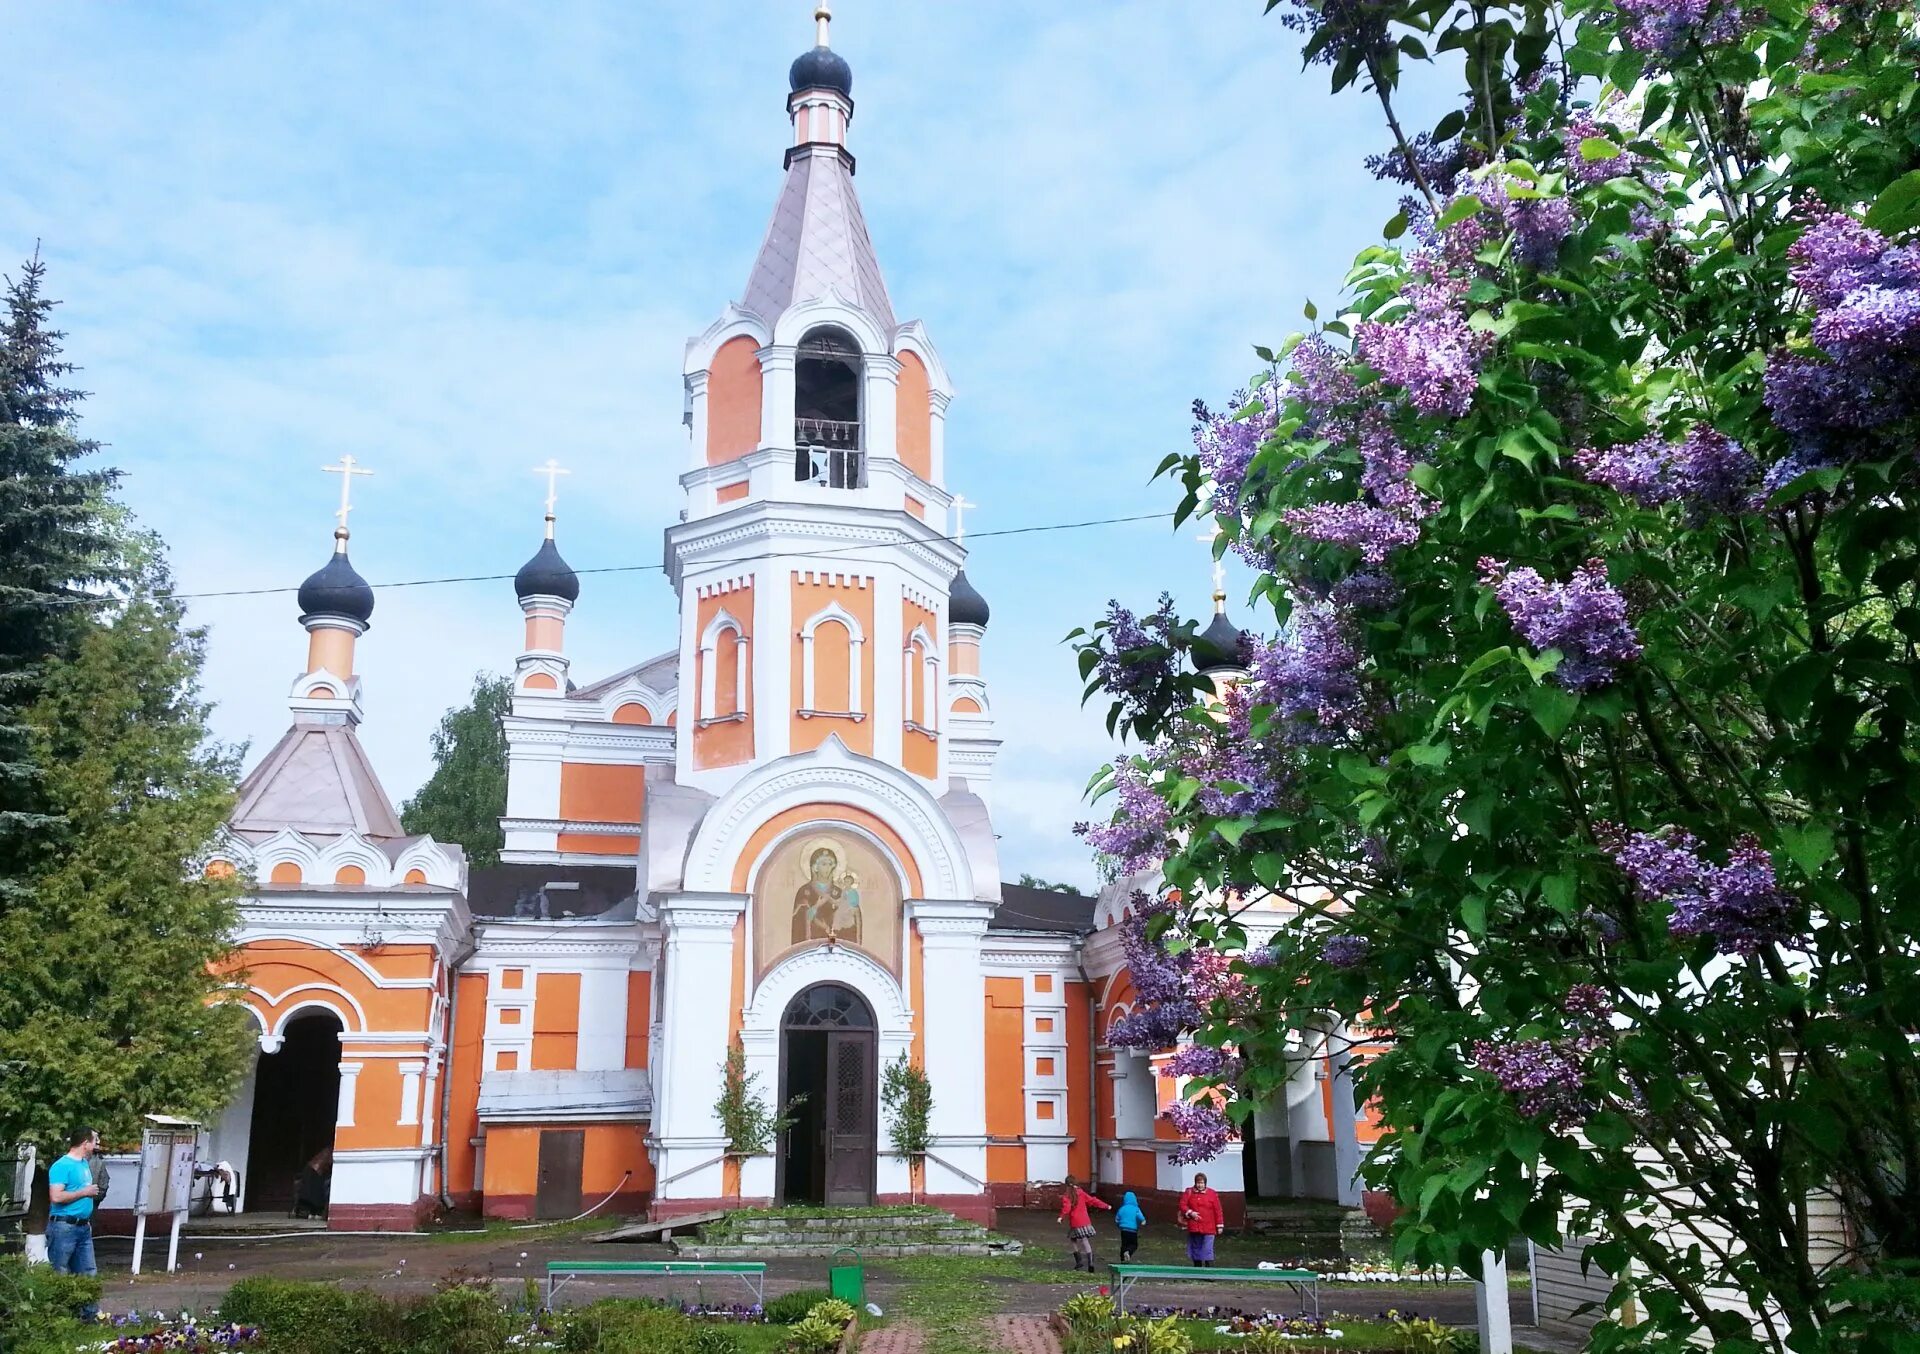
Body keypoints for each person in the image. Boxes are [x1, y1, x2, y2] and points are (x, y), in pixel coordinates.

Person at [46, 1127, 102, 1319]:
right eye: (95, 1141)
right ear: (85, 1143)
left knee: (88, 1271)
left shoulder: (84, 1164)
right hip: (63, 1227)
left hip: (83, 1227)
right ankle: (60, 1317)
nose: (97, 1145)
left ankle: (89, 1317)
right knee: (60, 1272)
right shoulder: (62, 1166)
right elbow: (56, 1196)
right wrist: (84, 1193)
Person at [1056, 1173, 1111, 1272]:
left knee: (1073, 1240)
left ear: (1067, 1184)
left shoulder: (1067, 1196)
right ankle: (1090, 1263)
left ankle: (1079, 1262)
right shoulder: (1081, 1193)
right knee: (1085, 1240)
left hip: (1075, 1222)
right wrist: (1106, 1206)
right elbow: (1093, 1201)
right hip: (1085, 1221)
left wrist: (1061, 1217)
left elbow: (1067, 1208)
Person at [1177, 1172, 1225, 1268]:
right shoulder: (1189, 1192)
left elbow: (1218, 1210)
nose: (1200, 1185)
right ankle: (1197, 1270)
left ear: (1205, 1183)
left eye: (1202, 1183)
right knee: (1196, 1248)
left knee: (1208, 1249)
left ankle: (1209, 1271)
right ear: (1195, 1183)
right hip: (1195, 1226)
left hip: (1209, 1226)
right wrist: (1190, 1212)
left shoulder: (1212, 1194)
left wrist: (1219, 1224)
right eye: (1198, 1183)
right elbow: (1182, 1205)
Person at [1114, 1189, 1146, 1263]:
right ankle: (1128, 1252)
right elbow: (1140, 1216)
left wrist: (1119, 1225)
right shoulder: (1136, 1209)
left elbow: (1117, 1219)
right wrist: (1143, 1221)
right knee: (1134, 1244)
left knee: (1124, 1244)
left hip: (1124, 1230)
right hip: (1133, 1230)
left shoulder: (1122, 1209)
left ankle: (1122, 1259)